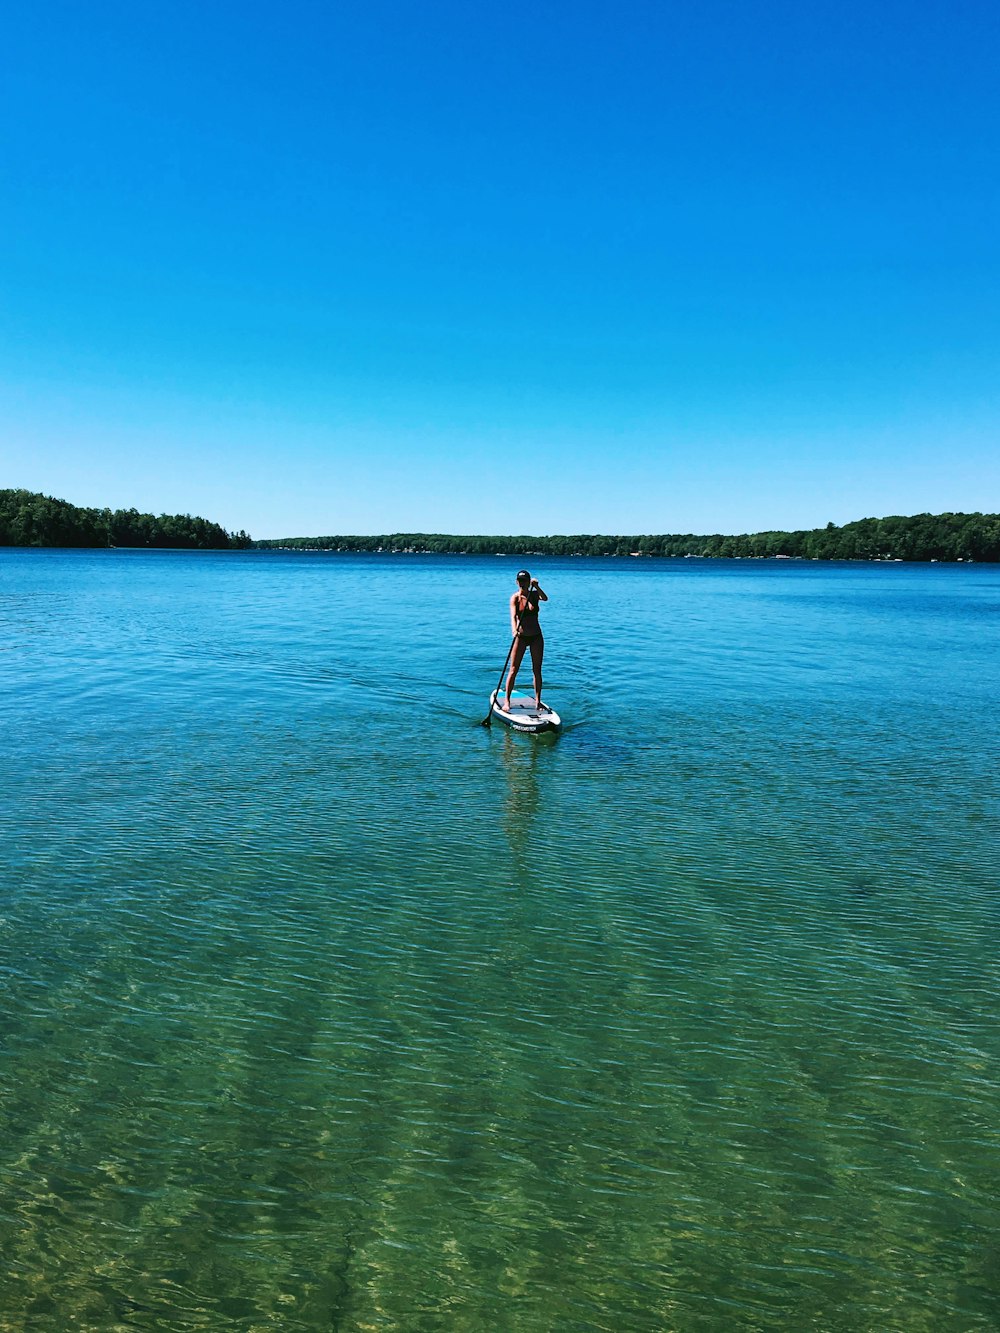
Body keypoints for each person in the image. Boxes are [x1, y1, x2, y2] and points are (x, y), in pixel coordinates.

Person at [503, 570, 549, 711]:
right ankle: (507, 701)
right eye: (520, 581)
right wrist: (514, 630)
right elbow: (512, 616)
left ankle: (538, 701)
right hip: (521, 637)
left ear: (529, 582)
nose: (522, 583)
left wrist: (537, 586)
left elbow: (545, 598)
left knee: (537, 670)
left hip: (536, 637)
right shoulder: (515, 598)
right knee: (513, 669)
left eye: (525, 581)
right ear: (517, 582)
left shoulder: (534, 595)